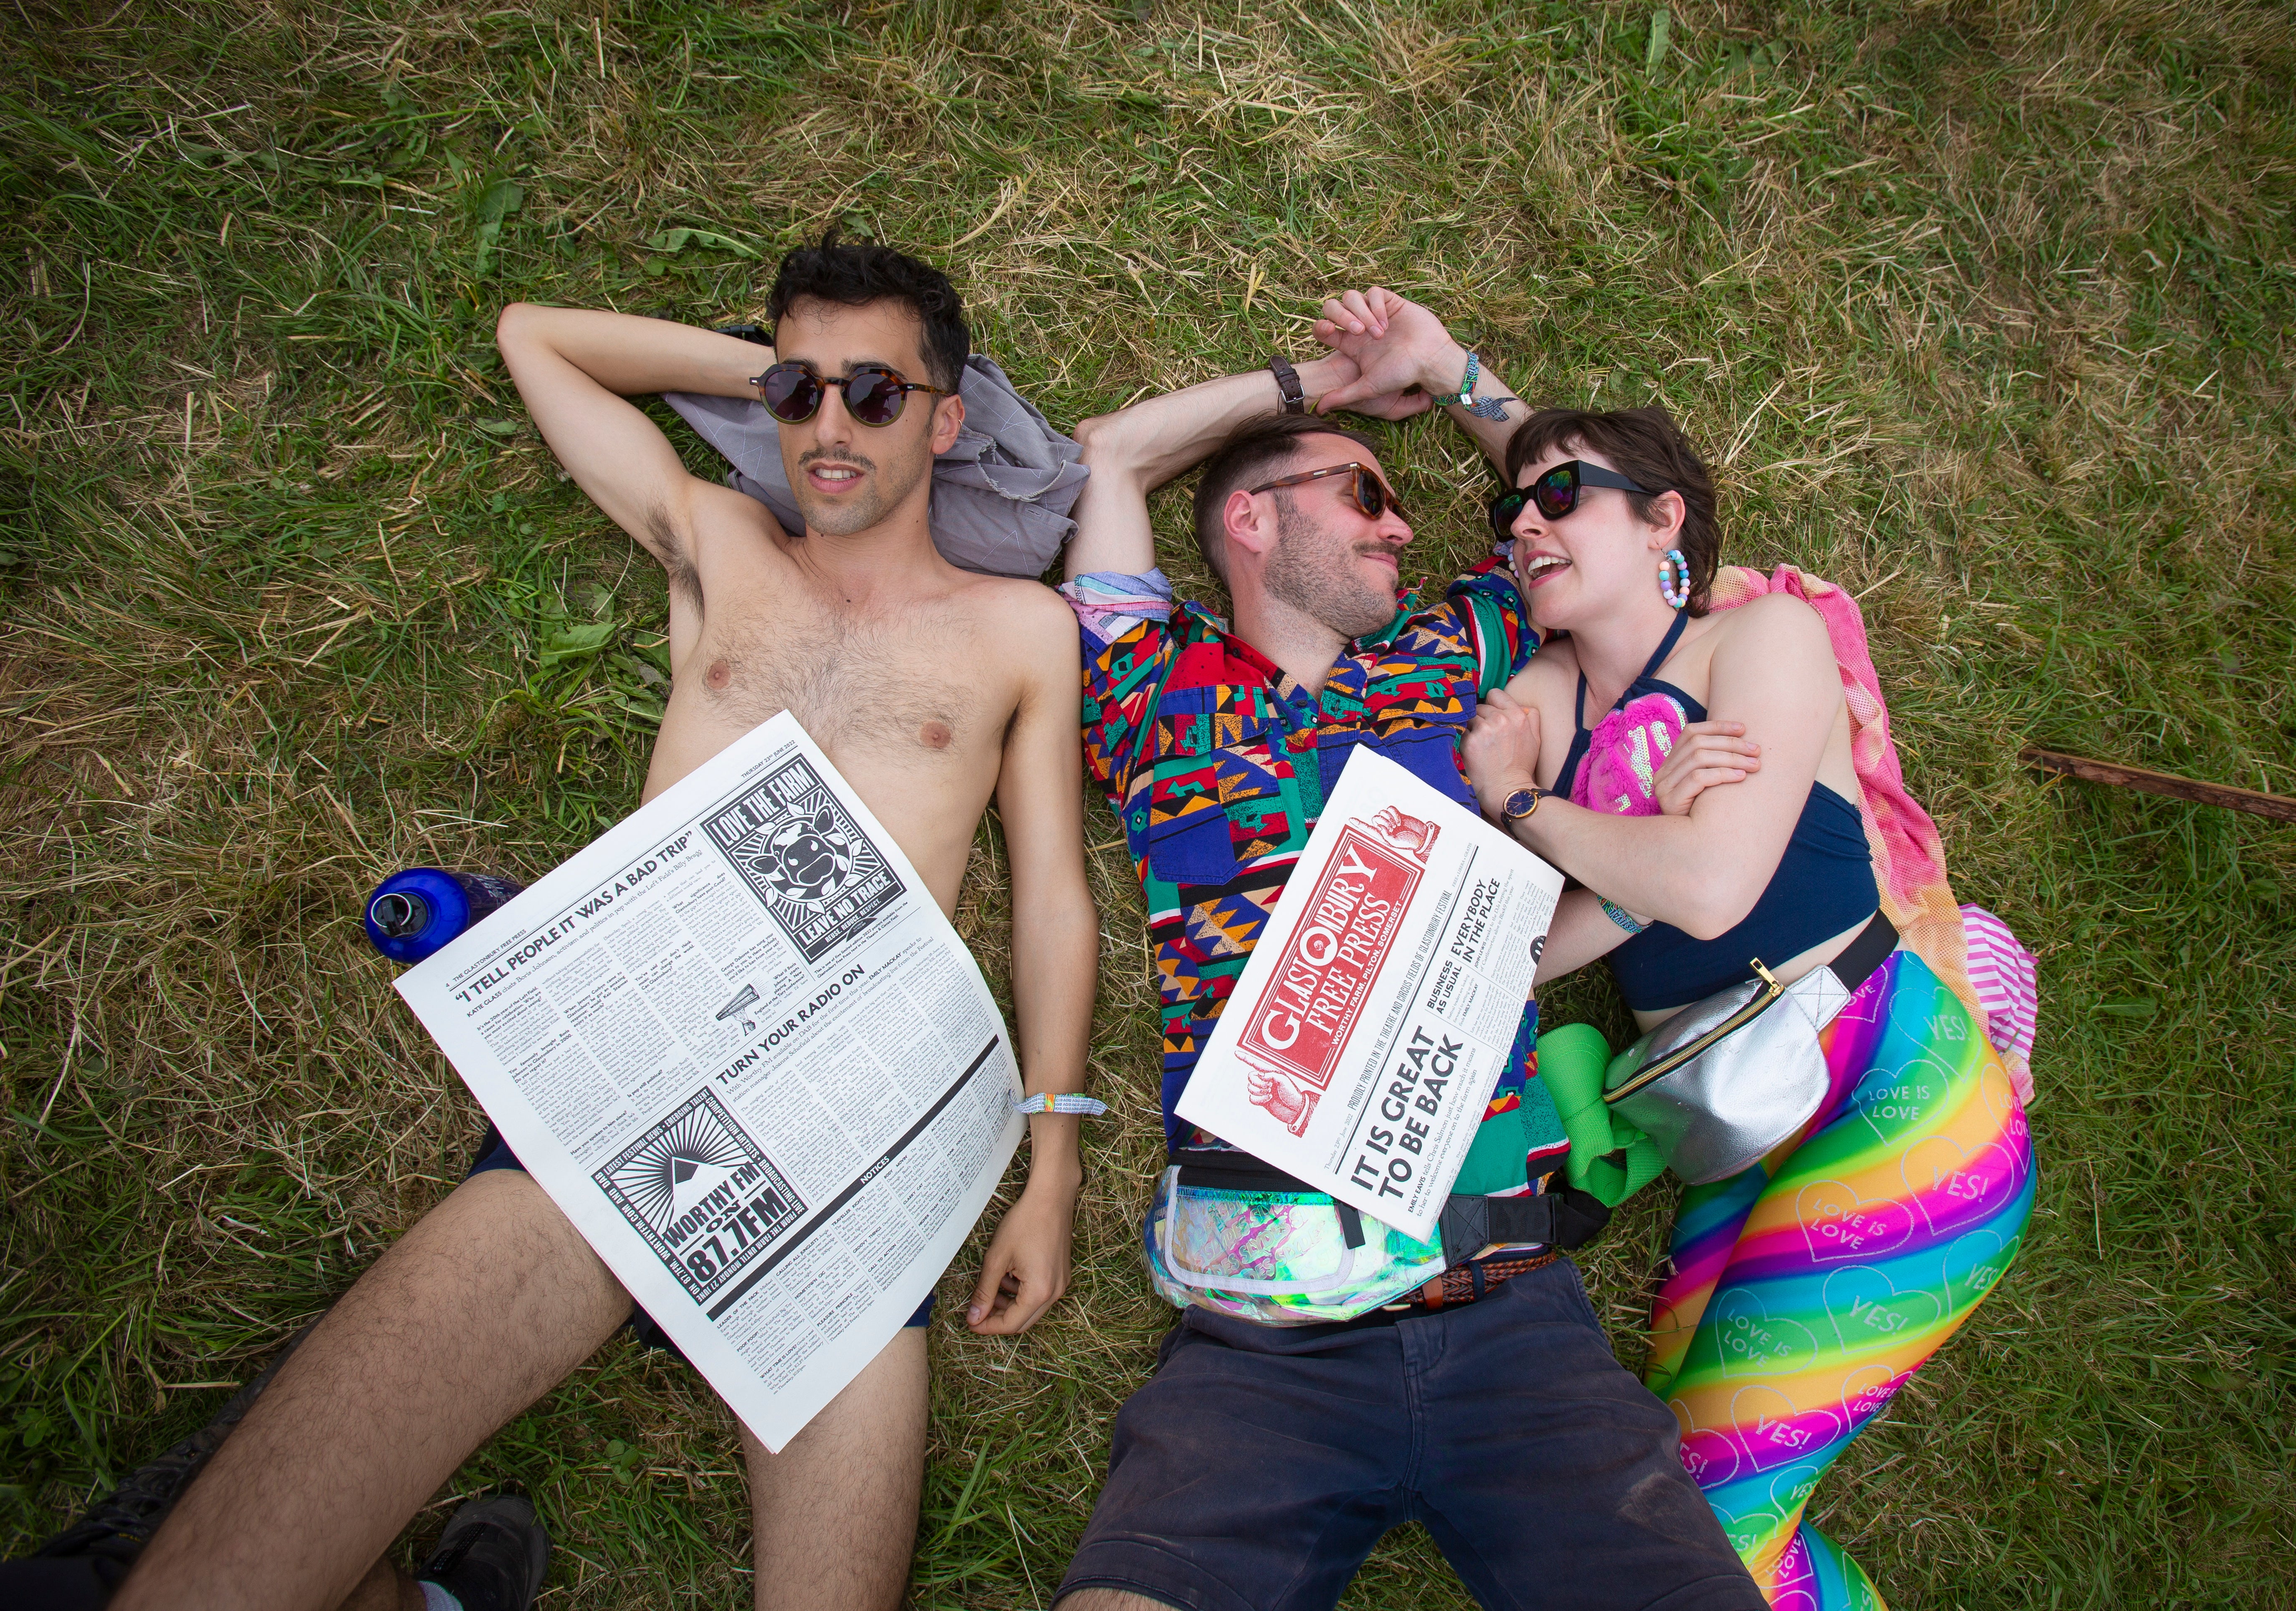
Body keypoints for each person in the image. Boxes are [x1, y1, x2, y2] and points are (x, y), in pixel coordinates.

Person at [109, 237, 1100, 1611]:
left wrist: (1050, 1168)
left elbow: (1052, 893)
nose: (827, 425)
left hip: (841, 1136)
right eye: (799, 389)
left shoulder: (1018, 631)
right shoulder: (721, 542)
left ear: (947, 417)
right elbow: (537, 339)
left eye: (876, 394)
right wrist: (758, 371)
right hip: (612, 1093)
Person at [1313, 288, 2038, 1608]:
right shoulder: (1538, 698)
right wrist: (1624, 832)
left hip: (1895, 1097)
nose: (1522, 522)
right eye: (1507, 513)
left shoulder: (1759, 639)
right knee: (1690, 1519)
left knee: (1702, 1523)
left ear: (1667, 526)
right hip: (1730, 1126)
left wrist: (1537, 810)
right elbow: (1525, 946)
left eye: (1565, 499)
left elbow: (1704, 890)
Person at [1048, 348, 1766, 1611]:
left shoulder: (1451, 658)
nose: (1400, 524)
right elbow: (1109, 451)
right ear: (1250, 519)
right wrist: (1307, 383)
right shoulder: (1150, 692)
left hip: (1515, 1321)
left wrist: (1453, 378)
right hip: (1261, 1340)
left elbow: (1568, 523)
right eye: (1363, 496)